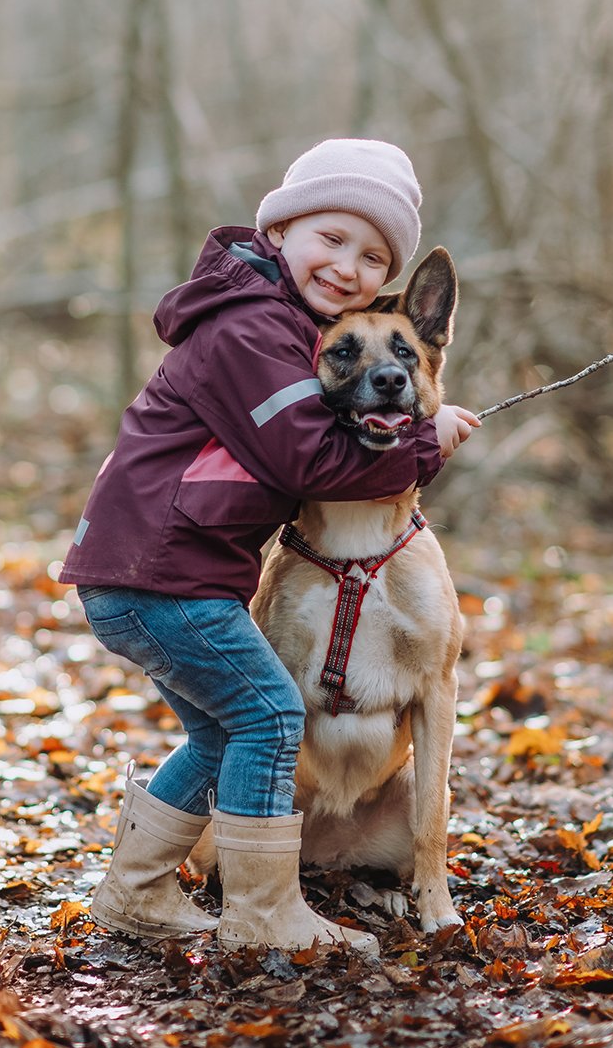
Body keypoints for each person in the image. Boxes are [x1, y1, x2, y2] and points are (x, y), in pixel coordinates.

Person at [60, 138, 479, 953]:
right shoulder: (252, 329)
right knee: (268, 714)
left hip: (160, 573)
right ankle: (262, 914)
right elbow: (305, 457)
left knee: (223, 730)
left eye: (372, 254)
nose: (347, 265)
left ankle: (135, 890)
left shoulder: (282, 323)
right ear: (280, 231)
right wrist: (428, 441)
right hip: (157, 574)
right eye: (331, 239)